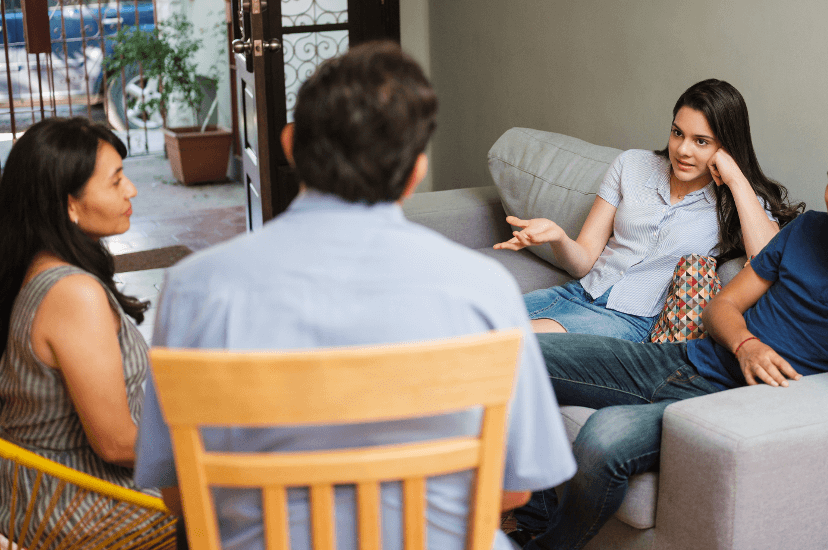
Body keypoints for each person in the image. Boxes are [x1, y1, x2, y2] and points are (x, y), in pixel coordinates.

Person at [133, 41, 576, 550]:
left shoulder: (194, 286)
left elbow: (179, 493)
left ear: (290, 145)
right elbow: (515, 491)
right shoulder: (483, 289)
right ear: (416, 172)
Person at [509, 115, 828, 550]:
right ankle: (530, 521)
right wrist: (745, 344)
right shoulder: (806, 230)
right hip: (688, 360)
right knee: (515, 355)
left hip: (739, 406)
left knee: (605, 438)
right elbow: (720, 307)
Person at [494, 79, 804, 342]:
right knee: (470, 325)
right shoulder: (632, 165)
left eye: (701, 141)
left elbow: (766, 260)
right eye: (677, 132)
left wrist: (735, 178)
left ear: (725, 147)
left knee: (508, 345)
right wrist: (559, 238)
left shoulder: (740, 201)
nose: (682, 149)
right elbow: (583, 262)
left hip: (630, 321)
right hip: (576, 293)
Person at [0, 118, 155, 537]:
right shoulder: (72, 293)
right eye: (116, 181)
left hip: (48, 497)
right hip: (80, 508)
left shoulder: (40, 265)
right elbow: (116, 443)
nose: (131, 191)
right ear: (69, 204)